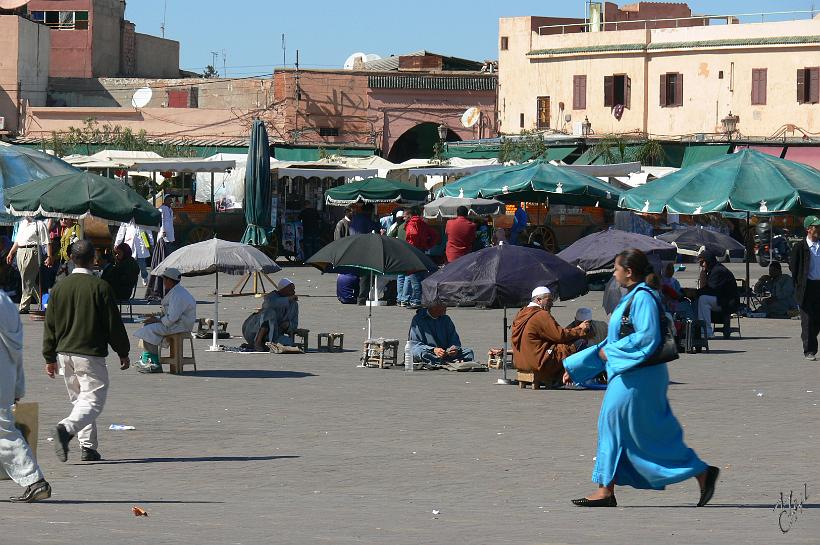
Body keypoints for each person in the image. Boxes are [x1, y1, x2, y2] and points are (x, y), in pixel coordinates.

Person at [563, 248, 719, 508]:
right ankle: (698, 473)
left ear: (629, 272)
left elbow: (646, 338)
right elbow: (612, 342)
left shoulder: (643, 298)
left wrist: (605, 353)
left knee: (620, 427)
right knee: (632, 430)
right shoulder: (634, 297)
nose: (614, 273)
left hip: (639, 375)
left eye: (616, 268)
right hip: (631, 373)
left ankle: (607, 490)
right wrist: (578, 365)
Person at [43, 240, 130, 463]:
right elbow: (113, 324)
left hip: (64, 353)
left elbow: (50, 324)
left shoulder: (60, 287)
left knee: (79, 401)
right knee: (92, 400)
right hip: (89, 352)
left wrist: (49, 356)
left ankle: (88, 447)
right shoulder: (100, 287)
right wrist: (123, 351)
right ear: (94, 259)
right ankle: (65, 429)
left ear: (71, 259)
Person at [0, 289, 51, 502]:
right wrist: (17, 386)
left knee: (3, 430)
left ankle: (34, 480)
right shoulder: (6, 301)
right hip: (7, 371)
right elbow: (16, 350)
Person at [511, 286, 590, 388]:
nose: (551, 304)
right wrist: (579, 329)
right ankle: (559, 379)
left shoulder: (521, 313)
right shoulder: (541, 315)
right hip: (539, 361)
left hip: (521, 361)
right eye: (549, 300)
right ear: (539, 300)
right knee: (580, 343)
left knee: (564, 345)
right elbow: (560, 335)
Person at [133, 267, 196, 374]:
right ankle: (148, 358)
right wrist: (156, 317)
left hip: (180, 325)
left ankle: (153, 362)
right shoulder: (176, 291)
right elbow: (170, 313)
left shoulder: (178, 294)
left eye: (165, 280)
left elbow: (172, 318)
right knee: (147, 326)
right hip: (176, 323)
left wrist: (157, 319)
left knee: (148, 329)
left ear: (170, 280)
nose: (164, 282)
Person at [684, 251, 738, 338]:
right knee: (698, 299)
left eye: (702, 262)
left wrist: (695, 293)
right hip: (721, 299)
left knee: (703, 299)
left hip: (728, 302)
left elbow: (711, 290)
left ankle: (707, 332)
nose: (701, 265)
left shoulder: (718, 271)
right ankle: (696, 329)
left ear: (709, 261)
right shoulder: (713, 269)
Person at [790, 215, 820, 359]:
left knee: (817, 320)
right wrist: (798, 285)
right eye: (816, 227)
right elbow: (793, 268)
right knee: (807, 319)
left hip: (819, 286)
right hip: (806, 287)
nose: (818, 230)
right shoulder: (800, 247)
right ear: (808, 229)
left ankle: (811, 339)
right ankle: (809, 350)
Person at [6, 217, 50, 313]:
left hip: (32, 251)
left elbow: (47, 241)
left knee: (27, 279)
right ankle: (44, 302)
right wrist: (11, 252)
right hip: (20, 251)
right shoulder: (22, 224)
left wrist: (49, 256)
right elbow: (17, 241)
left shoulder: (39, 224)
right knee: (28, 280)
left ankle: (24, 306)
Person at [408, 302, 474, 364]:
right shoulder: (418, 319)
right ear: (433, 306)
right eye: (443, 305)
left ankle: (441, 362)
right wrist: (434, 350)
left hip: (445, 353)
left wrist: (453, 348)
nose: (446, 307)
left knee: (469, 352)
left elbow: (454, 339)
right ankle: (446, 362)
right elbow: (415, 345)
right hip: (428, 352)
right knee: (420, 353)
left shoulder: (446, 319)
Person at [242, 278, 299, 349]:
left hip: (275, 335)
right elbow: (270, 304)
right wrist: (287, 299)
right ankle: (258, 341)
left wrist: (288, 325)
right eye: (291, 290)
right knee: (269, 313)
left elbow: (295, 324)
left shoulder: (294, 305)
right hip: (253, 330)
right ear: (283, 290)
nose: (293, 292)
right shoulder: (270, 297)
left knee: (288, 342)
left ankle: (263, 345)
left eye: (294, 290)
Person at [403, 207, 439, 308]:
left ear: (410, 215)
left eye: (405, 216)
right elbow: (435, 235)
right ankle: (419, 299)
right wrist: (427, 244)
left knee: (414, 276)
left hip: (413, 251)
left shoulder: (412, 223)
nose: (403, 218)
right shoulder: (423, 223)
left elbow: (413, 233)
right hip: (422, 250)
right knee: (419, 276)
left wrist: (411, 245)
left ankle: (416, 300)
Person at [145, 195, 175, 300]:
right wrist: (163, 232)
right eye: (169, 199)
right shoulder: (162, 209)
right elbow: (162, 222)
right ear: (165, 200)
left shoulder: (170, 210)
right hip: (163, 236)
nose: (171, 201)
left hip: (170, 237)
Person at [349, 204, 381, 305]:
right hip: (364, 249)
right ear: (370, 211)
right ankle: (362, 298)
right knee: (366, 274)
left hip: (354, 247)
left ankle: (360, 296)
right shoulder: (366, 219)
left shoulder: (355, 219)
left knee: (360, 273)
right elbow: (375, 229)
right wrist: (377, 221)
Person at [115, 219, 153, 287]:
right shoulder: (126, 219)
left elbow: (148, 230)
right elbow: (121, 232)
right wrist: (117, 243)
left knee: (142, 265)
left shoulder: (143, 218)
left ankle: (144, 276)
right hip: (130, 244)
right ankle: (130, 279)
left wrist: (151, 242)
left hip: (141, 243)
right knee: (129, 264)